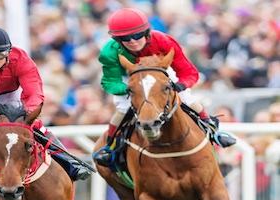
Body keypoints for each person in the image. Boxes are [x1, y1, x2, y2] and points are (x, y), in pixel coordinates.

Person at [0, 26, 94, 200]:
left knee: (36, 127)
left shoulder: (21, 58)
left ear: (8, 52)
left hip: (10, 94)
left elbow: (34, 93)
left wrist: (27, 115)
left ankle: (69, 161)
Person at [93, 8, 237, 167]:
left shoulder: (163, 41)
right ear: (117, 40)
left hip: (159, 72)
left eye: (137, 35)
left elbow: (189, 72)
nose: (133, 41)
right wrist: (132, 89)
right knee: (123, 108)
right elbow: (110, 82)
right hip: (130, 78)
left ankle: (214, 133)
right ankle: (110, 147)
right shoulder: (109, 53)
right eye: (125, 38)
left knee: (187, 99)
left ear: (147, 32)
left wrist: (181, 85)